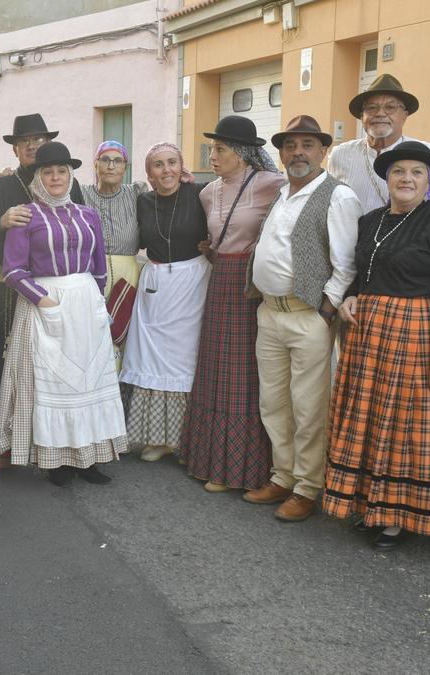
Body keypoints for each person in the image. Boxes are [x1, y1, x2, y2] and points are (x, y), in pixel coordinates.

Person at [322, 142, 430, 549]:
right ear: (386, 180)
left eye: (416, 173)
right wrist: (352, 294)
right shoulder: (371, 220)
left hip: (415, 332)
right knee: (368, 420)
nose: (406, 179)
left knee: (401, 425)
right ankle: (370, 505)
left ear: (429, 182)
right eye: (398, 172)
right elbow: (363, 271)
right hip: (369, 334)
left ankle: (397, 517)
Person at [243, 115, 363, 522]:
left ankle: (308, 487)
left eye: (307, 145)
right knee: (273, 402)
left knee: (309, 406)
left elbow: (346, 263)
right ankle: (283, 476)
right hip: (269, 312)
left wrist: (326, 310)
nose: (298, 152)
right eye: (291, 145)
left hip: (307, 315)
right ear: (281, 152)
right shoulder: (282, 193)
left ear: (323, 151)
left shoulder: (338, 196)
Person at [0, 142, 126, 486]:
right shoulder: (26, 214)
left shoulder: (88, 215)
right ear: (38, 176)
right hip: (45, 304)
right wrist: (44, 301)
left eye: (62, 171)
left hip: (85, 306)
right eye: (48, 171)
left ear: (71, 175)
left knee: (89, 379)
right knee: (56, 381)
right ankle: (56, 461)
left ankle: (91, 458)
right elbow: (12, 270)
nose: (56, 177)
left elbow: (99, 266)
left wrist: (100, 304)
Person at [181, 116, 285, 492]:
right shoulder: (208, 192)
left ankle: (243, 468)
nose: (213, 155)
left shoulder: (271, 184)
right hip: (220, 278)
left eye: (220, 149)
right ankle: (211, 461)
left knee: (243, 369)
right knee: (215, 365)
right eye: (212, 148)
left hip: (250, 284)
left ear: (242, 153)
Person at [0, 113, 86, 457]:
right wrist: (3, 223)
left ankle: (57, 442)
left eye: (39, 141)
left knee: (58, 369)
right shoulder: (0, 188)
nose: (34, 147)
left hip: (58, 292)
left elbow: (79, 237)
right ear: (16, 149)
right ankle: (16, 442)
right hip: (10, 293)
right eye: (26, 142)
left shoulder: (68, 184)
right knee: (17, 372)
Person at [120, 144, 210, 462]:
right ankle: (156, 437)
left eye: (172, 162)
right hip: (156, 282)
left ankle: (184, 440)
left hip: (191, 282)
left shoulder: (200, 193)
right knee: (152, 359)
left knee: (185, 359)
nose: (167, 170)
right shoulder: (143, 200)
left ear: (182, 166)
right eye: (158, 165)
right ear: (149, 173)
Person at [326, 74, 430, 212]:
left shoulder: (429, 154)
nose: (380, 113)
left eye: (390, 107)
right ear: (362, 116)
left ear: (404, 116)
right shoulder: (340, 155)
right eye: (372, 108)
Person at [80, 141, 148, 368]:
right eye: (105, 160)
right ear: (95, 164)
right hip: (90, 275)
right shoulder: (81, 194)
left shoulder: (136, 193)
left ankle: (122, 395)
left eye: (117, 161)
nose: (111, 166)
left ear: (125, 167)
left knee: (124, 332)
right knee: (91, 335)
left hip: (127, 274)